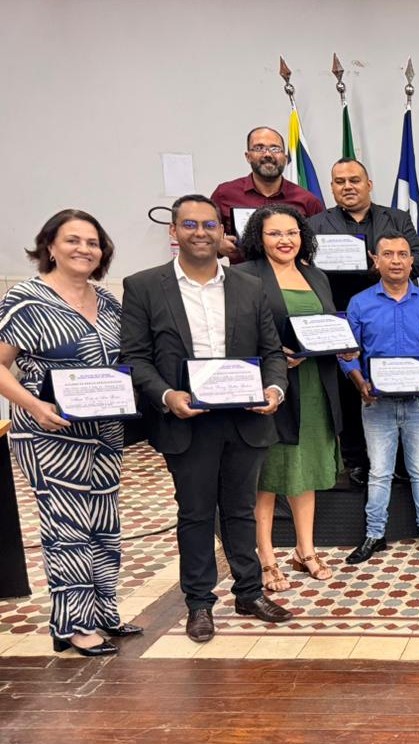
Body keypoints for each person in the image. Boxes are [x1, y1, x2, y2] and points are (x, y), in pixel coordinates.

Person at [121, 194, 292, 643]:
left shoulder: (249, 286)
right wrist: (166, 395)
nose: (201, 233)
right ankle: (199, 603)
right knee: (196, 513)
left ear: (222, 232)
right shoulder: (143, 286)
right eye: (191, 225)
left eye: (209, 225)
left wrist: (274, 390)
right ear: (173, 233)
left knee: (240, 510)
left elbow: (271, 353)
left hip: (245, 418)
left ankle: (249, 592)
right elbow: (135, 358)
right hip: (186, 420)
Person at [0, 210, 138, 656]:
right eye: (73, 240)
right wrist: (35, 406)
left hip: (104, 431)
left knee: (104, 524)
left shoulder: (110, 302)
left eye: (93, 242)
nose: (84, 249)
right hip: (48, 433)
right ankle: (74, 624)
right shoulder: (27, 299)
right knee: (67, 528)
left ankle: (104, 611)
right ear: (50, 246)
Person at [234, 205, 347, 590]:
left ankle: (305, 550)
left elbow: (325, 324)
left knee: (307, 470)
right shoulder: (244, 276)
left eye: (292, 232)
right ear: (258, 238)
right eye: (274, 234)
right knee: (269, 474)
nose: (285, 240)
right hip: (275, 389)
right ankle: (266, 557)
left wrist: (342, 347)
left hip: (316, 386)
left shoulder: (315, 275)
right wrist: (272, 357)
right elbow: (236, 333)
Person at [309, 158, 419, 487]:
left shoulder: (398, 218)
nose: (347, 186)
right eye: (339, 181)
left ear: (369, 184)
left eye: (354, 180)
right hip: (342, 319)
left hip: (394, 315)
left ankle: (405, 461)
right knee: (353, 389)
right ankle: (357, 460)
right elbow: (305, 268)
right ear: (332, 187)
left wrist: (379, 267)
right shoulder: (316, 224)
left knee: (400, 385)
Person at [340, 234, 419, 565]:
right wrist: (358, 380)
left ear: (411, 261)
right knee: (379, 471)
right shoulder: (360, 304)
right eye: (388, 254)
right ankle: (374, 535)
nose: (395, 260)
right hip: (377, 402)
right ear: (375, 260)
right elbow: (347, 353)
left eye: (402, 254)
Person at [211, 127, 324, 263]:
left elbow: (320, 247)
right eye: (259, 148)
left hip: (291, 281)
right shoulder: (225, 194)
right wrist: (217, 246)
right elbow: (204, 238)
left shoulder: (307, 200)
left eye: (275, 149)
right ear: (248, 156)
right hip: (242, 280)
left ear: (285, 157)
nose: (268, 154)